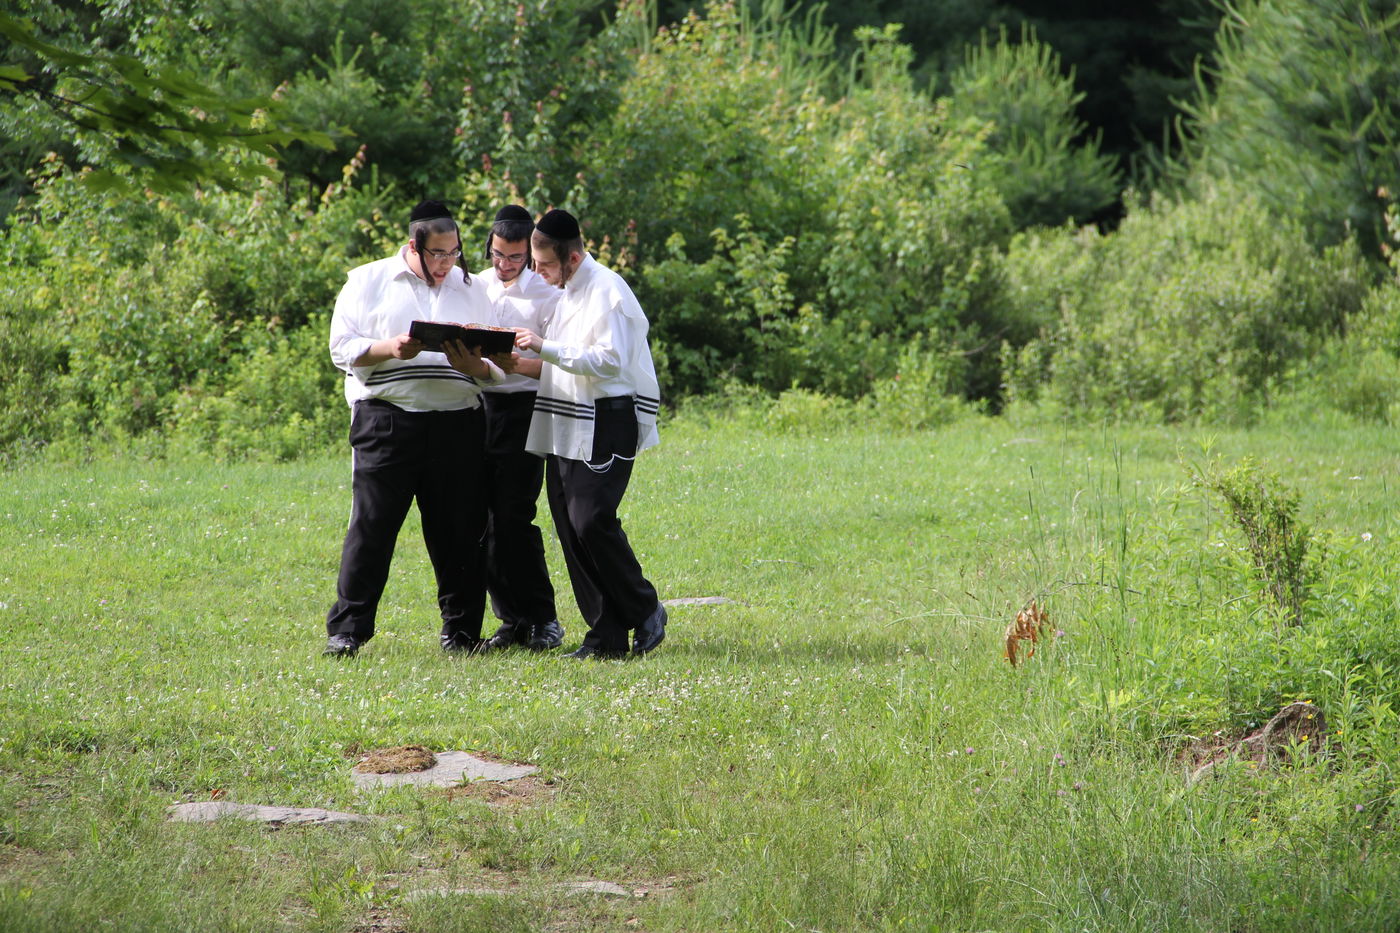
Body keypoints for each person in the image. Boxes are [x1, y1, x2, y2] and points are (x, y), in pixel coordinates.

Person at [323, 199, 512, 658]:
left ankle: (461, 633)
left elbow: (499, 366)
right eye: (438, 254)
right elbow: (340, 347)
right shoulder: (367, 280)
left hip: (458, 423)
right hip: (387, 419)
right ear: (414, 246)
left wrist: (476, 367)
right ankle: (347, 632)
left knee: (460, 531)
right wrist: (390, 348)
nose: (447, 263)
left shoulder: (473, 289)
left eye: (454, 253)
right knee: (372, 525)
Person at [512, 209, 667, 659]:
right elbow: (565, 363)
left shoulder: (608, 291)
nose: (537, 272)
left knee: (591, 521)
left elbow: (609, 362)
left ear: (574, 258)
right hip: (565, 419)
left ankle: (646, 606)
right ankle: (606, 637)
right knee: (570, 528)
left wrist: (543, 346)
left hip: (606, 420)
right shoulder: (569, 293)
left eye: (544, 264)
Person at [477, 205, 566, 652]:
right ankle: (510, 620)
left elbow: (562, 364)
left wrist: (519, 364)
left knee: (514, 516)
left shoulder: (547, 294)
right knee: (483, 520)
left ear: (529, 254)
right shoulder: (473, 285)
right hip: (477, 406)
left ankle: (543, 619)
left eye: (515, 257)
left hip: (525, 406)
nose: (505, 265)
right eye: (498, 255)